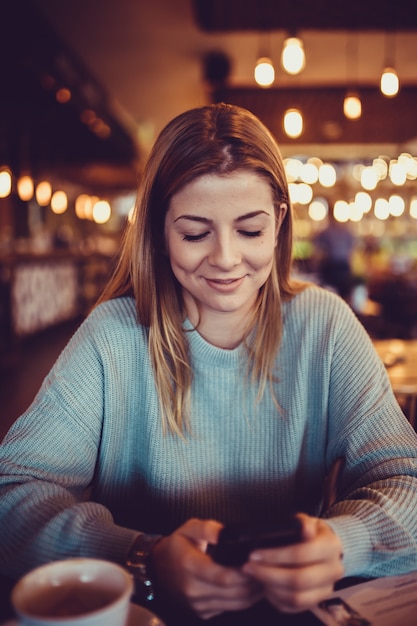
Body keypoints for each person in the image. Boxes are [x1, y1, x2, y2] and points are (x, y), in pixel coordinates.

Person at [1, 102, 417, 623]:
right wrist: (142, 558)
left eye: (250, 230)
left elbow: (407, 480)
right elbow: (11, 495)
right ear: (159, 230)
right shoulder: (113, 338)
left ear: (280, 222)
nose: (224, 258)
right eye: (195, 233)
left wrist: (342, 545)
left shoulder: (324, 327)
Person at [313, 202, 355, 301]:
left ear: (329, 215)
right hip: (344, 267)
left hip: (332, 267)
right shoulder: (347, 230)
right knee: (345, 298)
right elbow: (351, 251)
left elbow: (315, 245)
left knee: (329, 297)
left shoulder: (327, 230)